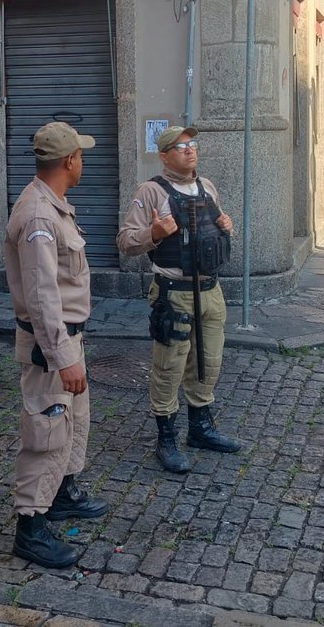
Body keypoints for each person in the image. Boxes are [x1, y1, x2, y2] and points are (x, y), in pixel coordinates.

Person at [4, 121, 108, 568]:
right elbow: (43, 297)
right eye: (80, 156)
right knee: (46, 432)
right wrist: (64, 357)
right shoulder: (39, 216)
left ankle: (62, 495)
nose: (83, 161)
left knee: (73, 423)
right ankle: (29, 527)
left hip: (68, 338)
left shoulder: (55, 205)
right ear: (69, 161)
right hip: (52, 343)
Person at [117, 125, 242, 473]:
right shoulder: (151, 192)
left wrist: (225, 226)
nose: (190, 150)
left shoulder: (208, 187)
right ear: (164, 155)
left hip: (211, 293)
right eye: (181, 146)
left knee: (208, 363)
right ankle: (166, 438)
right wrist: (152, 233)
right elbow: (125, 242)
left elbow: (210, 232)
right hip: (173, 295)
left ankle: (201, 429)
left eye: (193, 144)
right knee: (169, 368)